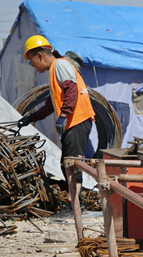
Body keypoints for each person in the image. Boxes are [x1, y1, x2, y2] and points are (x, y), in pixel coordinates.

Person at [18, 35, 95, 190]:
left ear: (40, 55)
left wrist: (64, 115)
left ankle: (74, 204)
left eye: (31, 61)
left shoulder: (59, 65)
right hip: (73, 122)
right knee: (66, 164)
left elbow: (72, 89)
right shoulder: (55, 70)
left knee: (72, 165)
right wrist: (31, 118)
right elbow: (50, 105)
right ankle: (74, 203)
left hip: (76, 121)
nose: (32, 65)